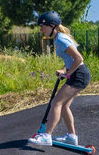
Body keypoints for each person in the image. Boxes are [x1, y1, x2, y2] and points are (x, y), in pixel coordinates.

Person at [28, 11, 90, 146]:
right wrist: (64, 70)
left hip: (79, 74)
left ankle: (47, 136)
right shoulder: (58, 38)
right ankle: (72, 136)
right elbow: (70, 59)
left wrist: (68, 74)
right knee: (64, 106)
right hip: (77, 73)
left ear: (52, 26)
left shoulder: (61, 39)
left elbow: (79, 58)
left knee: (56, 103)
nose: (41, 29)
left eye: (42, 26)